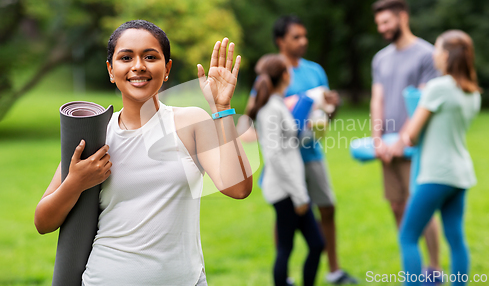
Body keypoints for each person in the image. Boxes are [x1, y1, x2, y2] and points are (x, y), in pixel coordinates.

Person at [34, 20, 253, 285]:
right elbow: (43, 222)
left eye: (150, 56)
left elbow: (238, 188)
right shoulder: (96, 134)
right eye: (126, 57)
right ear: (111, 70)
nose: (139, 66)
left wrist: (222, 107)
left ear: (167, 68)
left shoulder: (190, 122)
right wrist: (76, 182)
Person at [242, 15, 357, 285]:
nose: (303, 41)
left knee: (326, 208)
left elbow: (325, 116)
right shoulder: (271, 74)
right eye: (296, 37)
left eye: (305, 36)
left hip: (311, 152)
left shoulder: (315, 71)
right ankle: (285, 274)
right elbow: (252, 119)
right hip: (283, 160)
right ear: (281, 41)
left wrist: (331, 106)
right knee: (286, 218)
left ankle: (334, 270)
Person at [399, 30, 481, 285]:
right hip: (460, 174)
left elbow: (411, 135)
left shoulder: (438, 87)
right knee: (456, 239)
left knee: (408, 236)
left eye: (436, 49)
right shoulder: (472, 92)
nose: (433, 54)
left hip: (436, 173)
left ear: (447, 55)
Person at [370, 0, 442, 275]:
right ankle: (413, 265)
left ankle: (434, 269)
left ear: (402, 17)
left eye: (386, 21)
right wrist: (377, 139)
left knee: (420, 209)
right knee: (397, 206)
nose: (382, 28)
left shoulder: (427, 54)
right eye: (378, 23)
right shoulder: (380, 58)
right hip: (386, 148)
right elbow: (378, 99)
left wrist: (403, 140)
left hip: (417, 146)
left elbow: (425, 102)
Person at [249, 54, 325, 286]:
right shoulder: (271, 108)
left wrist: (312, 131)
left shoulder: (276, 103)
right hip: (286, 192)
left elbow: (287, 143)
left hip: (290, 189)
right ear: (284, 75)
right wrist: (299, 196)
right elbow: (274, 155)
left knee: (306, 245)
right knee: (294, 246)